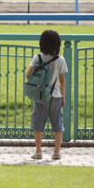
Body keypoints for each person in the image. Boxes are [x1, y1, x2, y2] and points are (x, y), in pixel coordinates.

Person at [26, 29, 68, 160]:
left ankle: (38, 151)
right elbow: (62, 80)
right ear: (58, 44)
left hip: (40, 96)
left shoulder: (37, 58)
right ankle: (56, 152)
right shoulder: (60, 60)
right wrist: (63, 97)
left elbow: (28, 76)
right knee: (57, 124)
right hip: (55, 96)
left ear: (41, 43)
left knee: (39, 123)